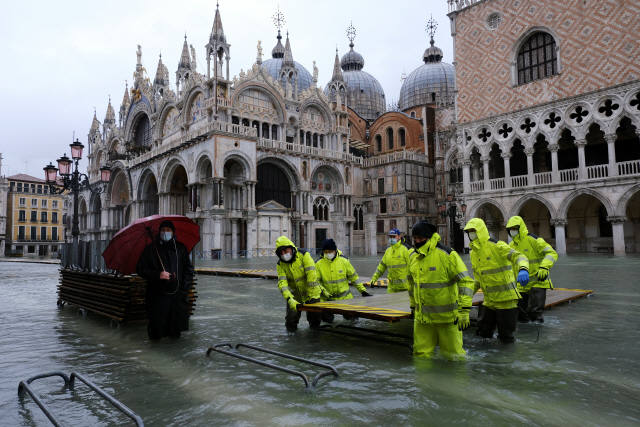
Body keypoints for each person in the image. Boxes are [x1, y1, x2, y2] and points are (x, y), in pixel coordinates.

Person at [408, 221, 474, 359]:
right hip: (422, 320)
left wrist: (464, 310)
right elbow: (411, 285)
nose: (417, 241)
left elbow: (466, 282)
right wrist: (413, 307)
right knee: (420, 356)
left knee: (454, 357)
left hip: (447, 319)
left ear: (429, 237)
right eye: (415, 238)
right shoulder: (412, 257)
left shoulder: (447, 255)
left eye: (420, 238)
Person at [464, 218, 529, 343]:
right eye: (469, 231)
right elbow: (477, 280)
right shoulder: (474, 253)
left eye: (473, 230)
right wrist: (464, 296)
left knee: (506, 337)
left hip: (506, 300)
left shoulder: (497, 246)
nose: (471, 234)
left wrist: (523, 269)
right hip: (489, 301)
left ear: (480, 231)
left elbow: (519, 256)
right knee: (483, 334)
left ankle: (506, 360)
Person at [136, 220, 194, 340]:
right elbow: (140, 269)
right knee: (157, 329)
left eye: (168, 230)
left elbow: (188, 269)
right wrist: (158, 275)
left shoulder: (181, 248)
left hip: (177, 295)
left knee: (176, 330)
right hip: (157, 295)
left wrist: (184, 288)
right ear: (159, 232)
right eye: (163, 230)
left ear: (173, 232)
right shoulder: (150, 249)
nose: (165, 232)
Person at [506, 216, 558, 323]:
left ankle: (539, 336)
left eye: (515, 228)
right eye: (510, 228)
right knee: (521, 314)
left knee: (535, 313)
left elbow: (551, 253)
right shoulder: (511, 245)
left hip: (538, 281)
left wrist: (544, 267)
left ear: (520, 227)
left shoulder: (533, 239)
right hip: (521, 283)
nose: (513, 231)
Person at [316, 238, 371, 323]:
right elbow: (316, 282)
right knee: (326, 322)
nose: (328, 254)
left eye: (330, 251)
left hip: (346, 299)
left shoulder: (344, 261)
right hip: (326, 299)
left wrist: (363, 291)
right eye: (325, 252)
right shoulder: (318, 264)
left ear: (335, 250)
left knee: (354, 322)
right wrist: (323, 291)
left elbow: (354, 278)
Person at [275, 236, 322, 331]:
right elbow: (282, 283)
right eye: (281, 252)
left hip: (311, 293)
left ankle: (314, 338)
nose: (284, 254)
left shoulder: (304, 255)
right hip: (295, 295)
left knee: (315, 320)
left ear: (291, 247)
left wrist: (312, 295)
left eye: (285, 250)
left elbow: (311, 274)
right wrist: (289, 298)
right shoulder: (280, 264)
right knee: (290, 321)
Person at [369, 228, 414, 293]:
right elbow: (381, 267)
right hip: (391, 288)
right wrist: (374, 278)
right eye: (390, 237)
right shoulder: (388, 251)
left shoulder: (407, 250)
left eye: (394, 236)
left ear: (399, 237)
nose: (392, 238)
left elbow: (415, 267)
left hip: (406, 288)